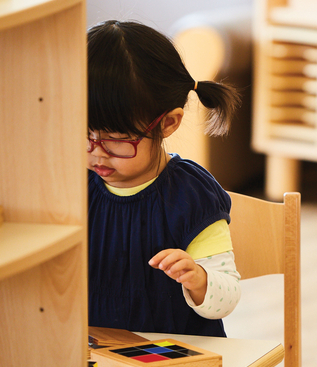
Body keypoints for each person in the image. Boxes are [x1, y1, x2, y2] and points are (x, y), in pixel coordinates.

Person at [86, 20, 242, 337]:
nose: (97, 153)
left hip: (178, 360)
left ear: (168, 123)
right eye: (83, 133)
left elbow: (226, 298)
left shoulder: (191, 195)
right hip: (96, 356)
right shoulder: (68, 182)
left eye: (118, 140)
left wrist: (199, 278)